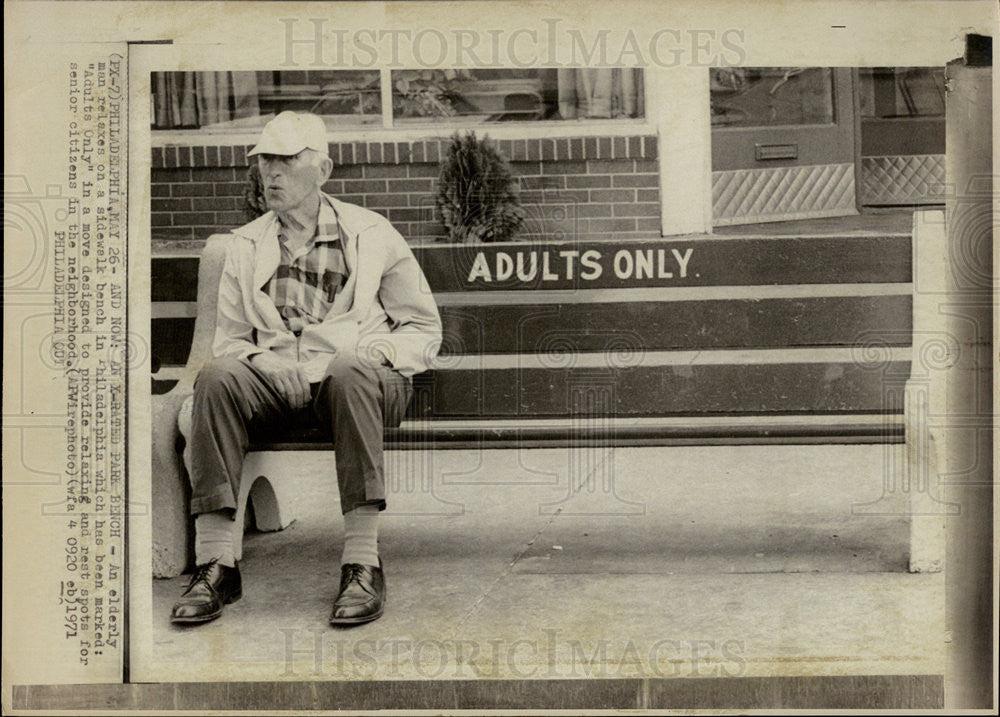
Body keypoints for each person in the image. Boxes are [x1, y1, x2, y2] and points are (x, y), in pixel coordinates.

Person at [170, 112, 442, 626]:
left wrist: (369, 354)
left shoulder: (370, 233)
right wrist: (267, 362)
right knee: (218, 376)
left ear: (323, 170)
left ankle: (362, 562)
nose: (270, 173)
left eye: (286, 160)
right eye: (264, 160)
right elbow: (229, 341)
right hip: (279, 385)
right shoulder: (247, 244)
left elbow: (423, 331)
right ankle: (216, 564)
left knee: (348, 370)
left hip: (359, 384)